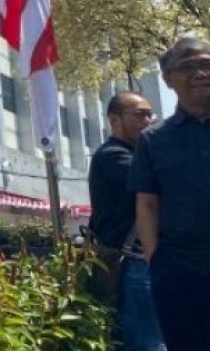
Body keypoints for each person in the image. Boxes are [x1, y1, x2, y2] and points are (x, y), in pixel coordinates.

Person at [130, 37, 210, 350]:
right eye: (189, 66)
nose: (201, 73)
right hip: (180, 272)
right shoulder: (153, 140)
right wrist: (156, 261)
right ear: (168, 79)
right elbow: (147, 204)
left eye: (206, 65)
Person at [88, 91, 163, 350]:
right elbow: (162, 183)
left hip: (147, 262)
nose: (148, 120)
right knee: (148, 343)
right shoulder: (113, 156)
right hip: (133, 264)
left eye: (150, 114)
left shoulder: (139, 156)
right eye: (140, 114)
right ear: (114, 120)